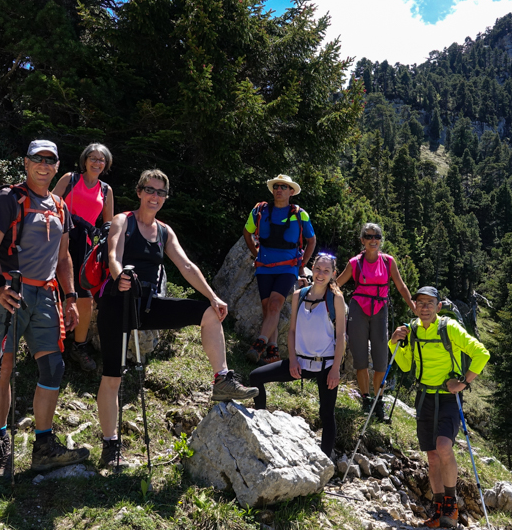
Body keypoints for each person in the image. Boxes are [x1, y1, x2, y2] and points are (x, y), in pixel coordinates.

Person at [95, 169, 258, 468]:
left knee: (208, 314)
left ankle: (222, 379)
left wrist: (212, 296)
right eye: (150, 190)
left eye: (161, 192)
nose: (155, 196)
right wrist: (121, 277)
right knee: (112, 377)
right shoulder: (123, 220)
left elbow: (186, 265)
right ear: (139, 191)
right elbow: (113, 255)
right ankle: (110, 444)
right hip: (116, 303)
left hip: (147, 305)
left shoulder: (165, 231)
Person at [0, 139, 88, 477]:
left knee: (53, 366)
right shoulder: (7, 199)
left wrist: (71, 297)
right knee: (3, 367)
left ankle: (43, 446)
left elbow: (65, 256)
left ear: (57, 166)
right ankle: (0, 445)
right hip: (11, 290)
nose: (43, 165)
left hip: (46, 295)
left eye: (50, 160)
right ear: (25, 163)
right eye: (37, 159)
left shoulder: (59, 205)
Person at [389, 287, 490, 529]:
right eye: (420, 302)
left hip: (447, 398)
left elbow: (481, 353)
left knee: (443, 446)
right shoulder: (412, 330)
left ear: (438, 306)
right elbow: (404, 366)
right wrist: (394, 343)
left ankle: (451, 506)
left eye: (429, 302)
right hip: (424, 397)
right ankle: (438, 512)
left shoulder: (449, 328)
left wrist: (463, 382)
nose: (424, 307)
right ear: (414, 306)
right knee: (432, 458)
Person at [248, 253, 346, 457]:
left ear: (333, 274)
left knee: (327, 414)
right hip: (300, 362)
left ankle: (324, 462)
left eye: (326, 271)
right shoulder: (298, 295)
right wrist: (292, 359)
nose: (320, 274)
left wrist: (336, 369)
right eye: (318, 269)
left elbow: (341, 336)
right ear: (313, 268)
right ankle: (261, 427)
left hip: (326, 366)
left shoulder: (335, 298)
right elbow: (291, 330)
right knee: (255, 377)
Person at [336, 223, 413, 420]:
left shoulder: (388, 262)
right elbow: (337, 285)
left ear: (380, 240)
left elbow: (401, 286)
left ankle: (378, 401)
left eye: (377, 236)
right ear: (362, 240)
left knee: (381, 360)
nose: (373, 240)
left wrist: (414, 307)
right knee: (360, 358)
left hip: (380, 310)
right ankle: (366, 399)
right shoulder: (355, 263)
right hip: (358, 310)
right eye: (369, 236)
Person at [52, 142, 115, 372]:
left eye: (101, 160)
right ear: (85, 160)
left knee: (85, 297)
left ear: (106, 164)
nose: (97, 163)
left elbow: (109, 222)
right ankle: (51, 343)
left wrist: (106, 242)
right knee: (55, 290)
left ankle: (79, 346)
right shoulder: (70, 179)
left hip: (87, 246)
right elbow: (50, 204)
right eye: (93, 158)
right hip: (61, 240)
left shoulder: (106, 190)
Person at [243, 174, 316, 365]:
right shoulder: (260, 211)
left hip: (288, 268)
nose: (279, 190)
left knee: (275, 305)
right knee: (268, 309)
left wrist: (302, 264)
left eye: (284, 187)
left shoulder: (300, 214)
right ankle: (273, 350)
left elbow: (311, 240)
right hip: (264, 267)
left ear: (291, 192)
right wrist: (255, 253)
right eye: (276, 186)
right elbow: (247, 231)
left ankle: (259, 344)